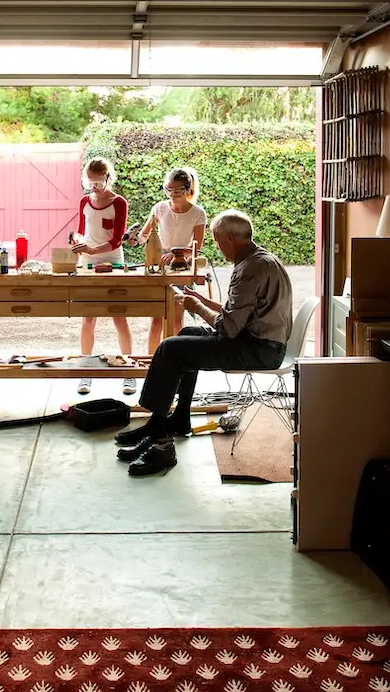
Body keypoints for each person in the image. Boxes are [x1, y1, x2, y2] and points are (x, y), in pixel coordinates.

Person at [114, 210, 293, 477]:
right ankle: (180, 417)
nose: (218, 248)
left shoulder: (249, 269)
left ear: (231, 238)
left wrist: (197, 307)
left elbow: (229, 328)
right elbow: (241, 314)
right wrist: (205, 301)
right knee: (187, 332)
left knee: (170, 348)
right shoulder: (260, 260)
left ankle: (159, 436)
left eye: (219, 242)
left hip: (258, 350)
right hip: (261, 342)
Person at [72, 157, 133, 395]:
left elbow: (117, 238)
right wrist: (77, 243)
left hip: (113, 259)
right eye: (90, 182)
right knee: (89, 317)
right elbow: (80, 230)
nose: (95, 187)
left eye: (99, 182)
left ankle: (129, 370)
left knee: (119, 316)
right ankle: (85, 370)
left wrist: (93, 249)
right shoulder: (84, 201)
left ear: (108, 178)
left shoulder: (119, 203)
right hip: (87, 259)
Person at [132, 166, 207, 353]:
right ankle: (151, 362)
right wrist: (134, 239)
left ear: (188, 188)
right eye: (168, 189)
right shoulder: (159, 208)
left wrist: (176, 254)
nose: (172, 194)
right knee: (156, 318)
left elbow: (197, 247)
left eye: (177, 190)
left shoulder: (197, 213)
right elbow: (144, 235)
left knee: (175, 320)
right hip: (159, 267)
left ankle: (176, 362)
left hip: (181, 268)